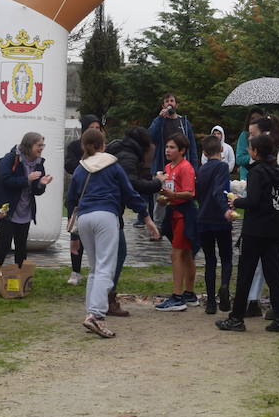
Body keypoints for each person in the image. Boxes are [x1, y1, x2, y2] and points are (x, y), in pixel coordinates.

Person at [67, 127, 159, 337]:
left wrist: (74, 235)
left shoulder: (81, 169)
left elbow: (71, 199)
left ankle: (92, 312)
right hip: (106, 216)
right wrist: (146, 217)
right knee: (105, 269)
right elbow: (129, 193)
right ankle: (96, 316)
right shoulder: (112, 165)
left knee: (94, 268)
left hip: (84, 218)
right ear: (103, 145)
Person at [216, 133, 279, 333]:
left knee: (245, 274)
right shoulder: (278, 170)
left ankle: (236, 317)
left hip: (255, 230)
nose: (248, 151)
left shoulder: (257, 173)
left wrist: (237, 201)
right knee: (274, 276)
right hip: (273, 228)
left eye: (250, 148)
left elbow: (254, 201)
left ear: (256, 152)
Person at [105, 125, 161, 316]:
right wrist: (157, 183)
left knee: (103, 259)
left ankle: (101, 300)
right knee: (118, 254)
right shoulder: (128, 156)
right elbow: (131, 187)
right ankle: (107, 300)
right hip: (109, 210)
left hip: (99, 209)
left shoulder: (115, 148)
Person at [0, 131, 51, 270]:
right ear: (29, 145)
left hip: (25, 211)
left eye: (43, 145)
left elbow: (36, 191)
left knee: (21, 246)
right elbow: (5, 180)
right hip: (8, 210)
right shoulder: (11, 158)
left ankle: (21, 278)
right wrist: (27, 179)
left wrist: (41, 183)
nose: (41, 148)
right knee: (4, 245)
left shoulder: (39, 163)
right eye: (39, 145)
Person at [155, 133, 199, 310]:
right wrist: (163, 199)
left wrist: (172, 196)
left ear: (182, 150)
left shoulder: (186, 168)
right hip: (173, 212)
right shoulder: (168, 167)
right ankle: (189, 293)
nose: (167, 150)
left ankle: (177, 296)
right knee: (186, 254)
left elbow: (189, 193)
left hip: (185, 213)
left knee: (177, 254)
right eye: (167, 147)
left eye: (172, 147)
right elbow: (168, 191)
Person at [195, 134, 234, 315]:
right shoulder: (223, 167)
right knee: (226, 258)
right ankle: (224, 286)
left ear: (204, 152)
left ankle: (210, 301)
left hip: (203, 219)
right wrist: (225, 209)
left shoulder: (200, 170)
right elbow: (219, 191)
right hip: (220, 218)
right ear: (221, 150)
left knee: (210, 260)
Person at [64, 115, 101, 286]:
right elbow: (69, 165)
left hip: (98, 195)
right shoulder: (74, 146)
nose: (95, 131)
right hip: (80, 194)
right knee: (76, 236)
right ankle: (76, 271)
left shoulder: (102, 148)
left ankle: (97, 271)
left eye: (98, 128)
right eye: (92, 127)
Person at [146, 93, 198, 174]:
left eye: (172, 101)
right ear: (163, 106)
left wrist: (194, 169)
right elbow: (150, 137)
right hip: (163, 166)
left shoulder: (184, 123)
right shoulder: (159, 122)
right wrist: (160, 118)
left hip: (182, 167)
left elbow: (192, 147)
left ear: (176, 105)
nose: (169, 103)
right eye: (167, 101)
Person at [234, 109, 264, 181]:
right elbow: (239, 159)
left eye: (258, 118)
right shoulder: (245, 135)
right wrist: (254, 157)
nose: (255, 120)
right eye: (252, 118)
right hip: (247, 177)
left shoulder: (268, 136)